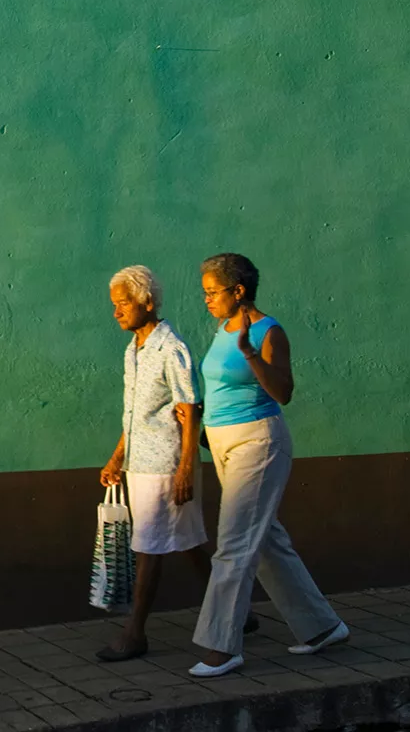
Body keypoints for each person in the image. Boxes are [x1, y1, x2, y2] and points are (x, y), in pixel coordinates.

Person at [188, 253, 349, 678]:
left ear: (237, 291)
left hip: (258, 442)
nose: (206, 299)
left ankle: (222, 647)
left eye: (211, 292)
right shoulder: (223, 328)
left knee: (235, 543)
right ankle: (322, 628)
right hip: (223, 443)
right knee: (266, 540)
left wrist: (251, 354)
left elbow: (283, 391)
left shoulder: (268, 331)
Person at [97, 265, 208, 662]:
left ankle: (135, 633)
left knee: (149, 546)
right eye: (114, 305)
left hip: (165, 464)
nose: (117, 312)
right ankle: (235, 612)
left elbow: (190, 407)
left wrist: (185, 469)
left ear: (147, 301)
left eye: (123, 303)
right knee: (190, 541)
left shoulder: (171, 348)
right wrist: (115, 458)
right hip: (139, 463)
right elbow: (135, 414)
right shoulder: (134, 350)